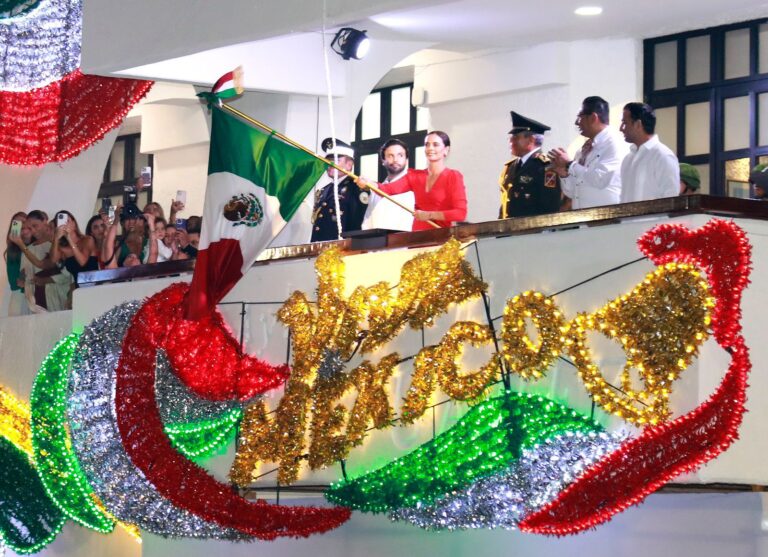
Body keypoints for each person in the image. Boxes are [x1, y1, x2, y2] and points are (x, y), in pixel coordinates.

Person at [357, 131, 467, 231]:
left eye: (435, 144)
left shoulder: (453, 176)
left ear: (446, 150)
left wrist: (429, 215)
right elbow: (387, 189)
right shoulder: (415, 176)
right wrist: (369, 183)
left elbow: (460, 213)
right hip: (416, 238)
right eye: (427, 144)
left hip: (441, 238)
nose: (430, 148)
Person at [548, 96, 628, 209]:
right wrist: (563, 173)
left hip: (607, 214)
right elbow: (572, 192)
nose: (577, 123)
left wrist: (569, 164)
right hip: (584, 215)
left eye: (580, 117)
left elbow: (600, 179)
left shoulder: (614, 143)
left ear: (593, 118)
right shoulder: (584, 149)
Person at [499, 111, 561, 218]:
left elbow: (550, 207)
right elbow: (506, 204)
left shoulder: (546, 167)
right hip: (509, 227)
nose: (511, 141)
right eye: (511, 137)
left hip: (533, 227)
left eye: (516, 137)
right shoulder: (510, 167)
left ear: (531, 140)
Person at [618, 102, 679, 203]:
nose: (621, 128)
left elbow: (671, 199)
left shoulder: (663, 156)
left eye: (625, 123)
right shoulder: (627, 159)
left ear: (638, 124)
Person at [311, 138, 369, 242]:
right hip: (322, 246)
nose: (330, 164)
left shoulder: (356, 188)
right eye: (328, 161)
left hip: (344, 247)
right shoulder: (324, 190)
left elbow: (356, 222)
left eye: (335, 161)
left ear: (349, 164)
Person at [361, 138, 415, 231]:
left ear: (406, 160)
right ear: (383, 160)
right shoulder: (376, 190)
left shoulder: (413, 188)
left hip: (406, 239)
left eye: (400, 155)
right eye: (390, 156)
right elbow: (368, 222)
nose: (395, 160)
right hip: (378, 239)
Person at [50, 211, 99, 284]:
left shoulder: (87, 240)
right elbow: (53, 260)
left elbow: (82, 262)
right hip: (79, 286)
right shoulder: (62, 247)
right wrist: (56, 238)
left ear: (74, 223)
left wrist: (69, 238)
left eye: (67, 221)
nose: (65, 224)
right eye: (61, 223)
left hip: (96, 284)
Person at [5, 212, 28, 315]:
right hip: (18, 294)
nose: (21, 226)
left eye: (23, 222)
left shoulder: (34, 245)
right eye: (16, 223)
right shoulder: (12, 249)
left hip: (31, 292)